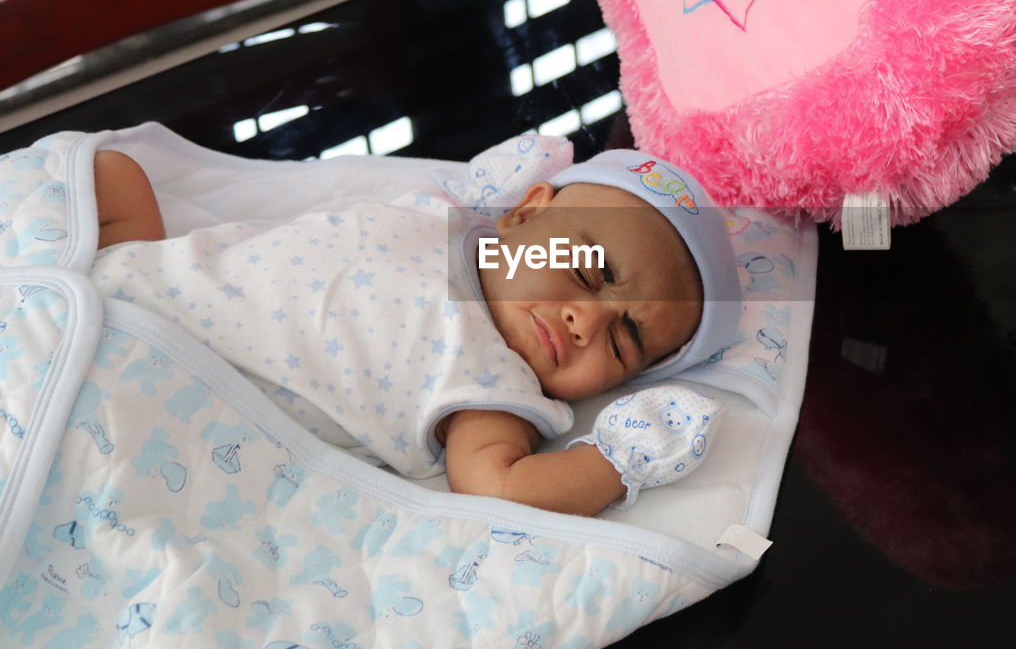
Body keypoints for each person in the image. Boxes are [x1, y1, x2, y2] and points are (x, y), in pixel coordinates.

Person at [90, 144, 739, 516]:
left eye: (623, 343)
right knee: (106, 168)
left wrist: (613, 463)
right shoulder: (440, 216)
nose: (586, 320)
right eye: (586, 269)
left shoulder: (494, 384)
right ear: (522, 214)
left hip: (156, 383)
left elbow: (497, 485)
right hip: (150, 274)